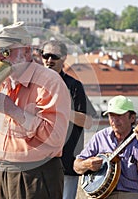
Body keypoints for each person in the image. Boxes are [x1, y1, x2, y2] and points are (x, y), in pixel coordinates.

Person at [0, 21, 71, 199]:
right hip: (2, 172)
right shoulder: (1, 83)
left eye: (6, 51)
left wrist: (13, 110)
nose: (0, 58)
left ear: (26, 51)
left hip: (37, 175)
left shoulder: (49, 82)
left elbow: (55, 137)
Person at [41, 40, 97, 199]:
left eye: (54, 56)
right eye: (46, 55)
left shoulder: (74, 85)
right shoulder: (35, 84)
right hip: (39, 161)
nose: (49, 60)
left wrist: (60, 110)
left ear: (64, 58)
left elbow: (87, 121)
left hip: (66, 160)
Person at [73, 95, 138, 199]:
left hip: (134, 194)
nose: (114, 120)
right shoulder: (100, 137)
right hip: (103, 195)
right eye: (111, 116)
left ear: (132, 118)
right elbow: (76, 166)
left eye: (119, 115)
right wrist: (87, 164)